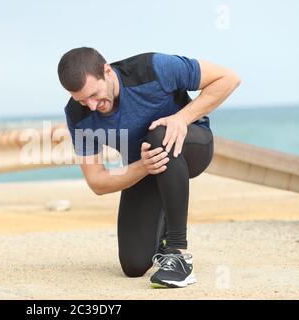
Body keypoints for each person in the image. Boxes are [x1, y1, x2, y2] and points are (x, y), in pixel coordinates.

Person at [57, 47, 240, 288]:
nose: (91, 106)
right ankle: (162, 233)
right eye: (82, 100)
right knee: (133, 265)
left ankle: (178, 254)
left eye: (94, 94)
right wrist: (143, 166)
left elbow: (228, 78)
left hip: (191, 148)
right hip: (145, 167)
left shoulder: (153, 68)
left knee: (158, 136)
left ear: (107, 72)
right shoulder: (78, 115)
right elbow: (97, 182)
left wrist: (181, 118)